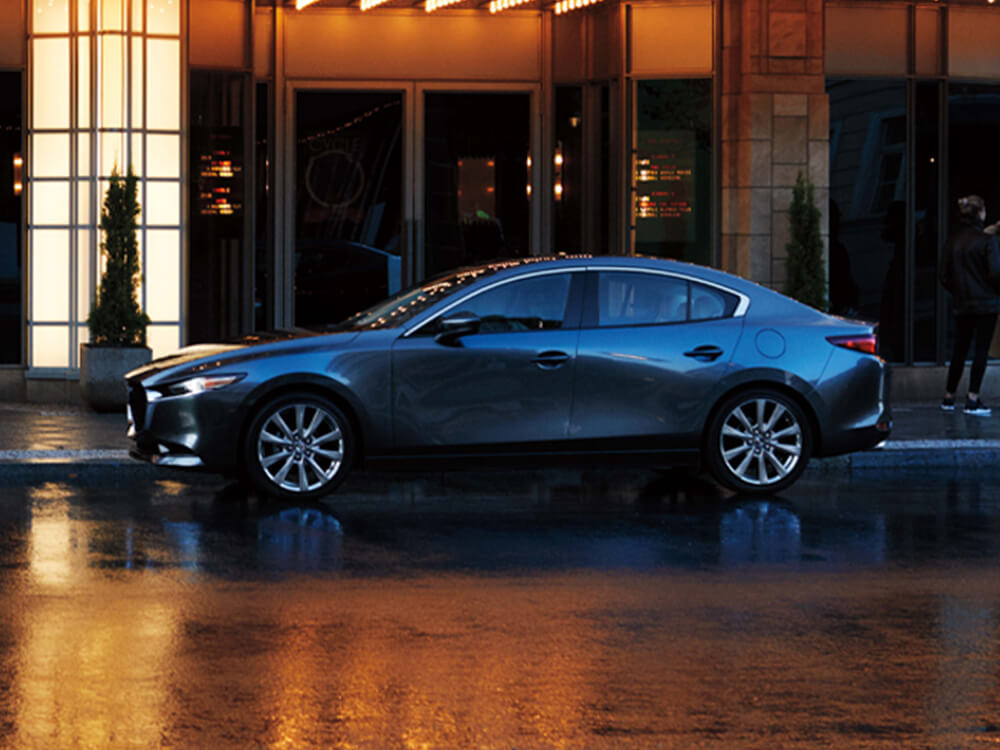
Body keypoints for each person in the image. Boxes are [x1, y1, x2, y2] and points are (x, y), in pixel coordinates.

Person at [939, 194, 1000, 416]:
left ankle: (949, 396)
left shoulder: (953, 241)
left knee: (960, 349)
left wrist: (958, 292)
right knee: (980, 351)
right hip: (986, 304)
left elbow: (944, 276)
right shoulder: (986, 241)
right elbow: (995, 273)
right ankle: (973, 398)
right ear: (980, 213)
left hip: (962, 303)